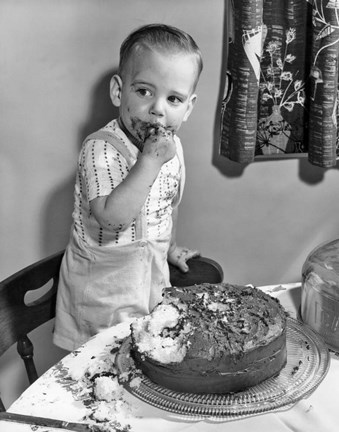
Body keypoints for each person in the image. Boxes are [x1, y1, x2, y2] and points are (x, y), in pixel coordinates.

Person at [53, 23, 203, 351]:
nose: (157, 109)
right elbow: (111, 218)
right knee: (99, 365)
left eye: (173, 98)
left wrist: (171, 246)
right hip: (103, 289)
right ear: (119, 92)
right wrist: (148, 163)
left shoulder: (172, 148)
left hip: (150, 279)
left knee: (145, 353)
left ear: (188, 108)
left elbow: (168, 204)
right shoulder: (101, 149)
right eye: (144, 91)